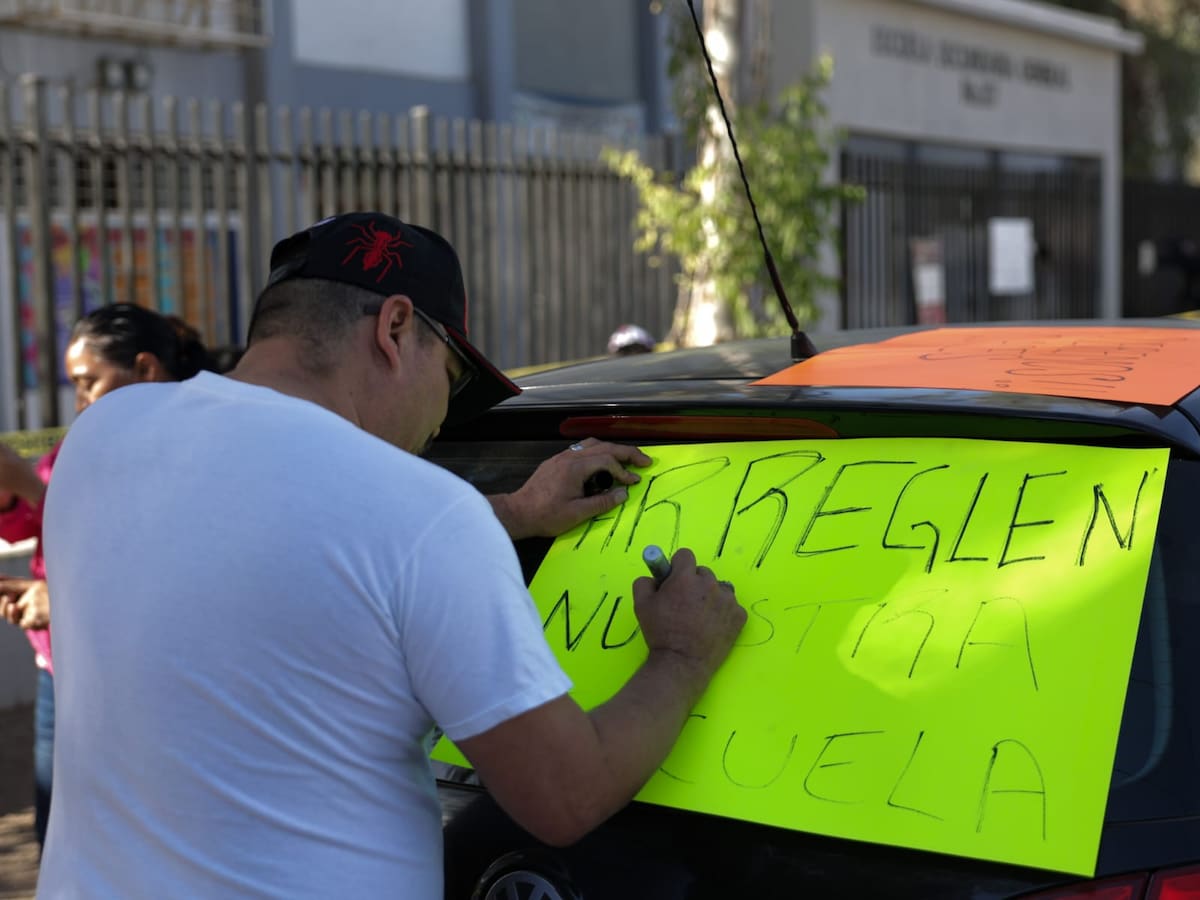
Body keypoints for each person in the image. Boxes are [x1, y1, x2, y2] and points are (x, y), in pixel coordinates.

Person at [39, 212, 746, 898]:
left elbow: (273, 536)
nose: (442, 414)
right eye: (452, 376)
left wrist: (517, 513)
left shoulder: (101, 441)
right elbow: (566, 796)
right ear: (396, 327)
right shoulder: (424, 519)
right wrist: (681, 658)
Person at [0, 303, 217, 852]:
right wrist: (12, 490)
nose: (80, 400)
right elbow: (38, 516)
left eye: (88, 382)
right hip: (57, 665)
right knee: (58, 833)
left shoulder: (197, 447)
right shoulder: (86, 437)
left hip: (131, 674)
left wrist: (68, 600)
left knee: (130, 837)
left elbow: (168, 559)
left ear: (145, 368)